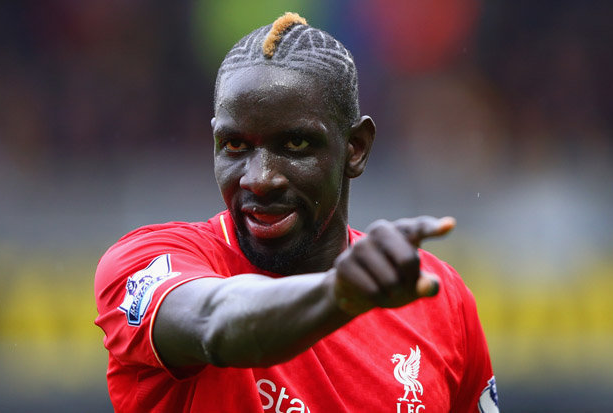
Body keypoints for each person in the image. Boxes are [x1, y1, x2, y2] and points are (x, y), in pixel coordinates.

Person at [95, 12, 499, 413]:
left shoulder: (438, 299)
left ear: (355, 148)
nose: (260, 179)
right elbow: (217, 323)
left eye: (295, 144)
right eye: (235, 146)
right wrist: (340, 295)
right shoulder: (144, 262)